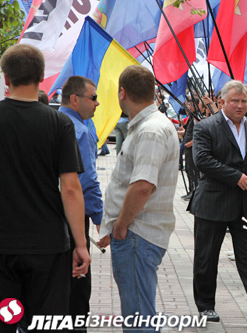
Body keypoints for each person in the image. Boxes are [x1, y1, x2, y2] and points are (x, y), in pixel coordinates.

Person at [0, 44, 90, 333]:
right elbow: (71, 189)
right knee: (47, 325)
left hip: (1, 244)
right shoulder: (59, 123)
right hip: (47, 245)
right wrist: (81, 244)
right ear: (41, 77)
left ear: (5, 78)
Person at [189, 80, 247, 325]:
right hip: (213, 204)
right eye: (235, 101)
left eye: (244, 101)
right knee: (206, 257)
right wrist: (235, 177)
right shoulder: (206, 127)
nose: (240, 106)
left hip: (245, 205)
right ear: (222, 102)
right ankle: (206, 307)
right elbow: (202, 160)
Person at [98, 65, 179, 331]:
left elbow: (143, 185)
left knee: (138, 318)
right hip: (136, 233)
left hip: (136, 234)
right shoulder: (147, 126)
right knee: (138, 314)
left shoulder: (150, 130)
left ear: (122, 93)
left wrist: (120, 225)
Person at [59, 75, 104, 326]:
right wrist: (99, 217)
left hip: (44, 218)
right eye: (94, 98)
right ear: (75, 99)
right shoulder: (80, 131)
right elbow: (86, 182)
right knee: (77, 286)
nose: (97, 103)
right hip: (74, 217)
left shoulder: (52, 122)